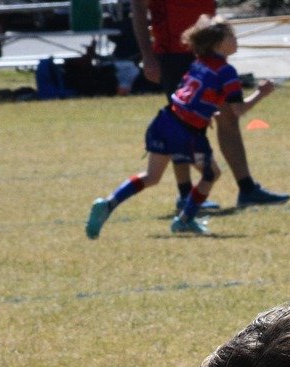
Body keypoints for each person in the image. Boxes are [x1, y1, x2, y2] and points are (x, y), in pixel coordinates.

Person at [128, 0, 290, 210]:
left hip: (209, 54)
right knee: (184, 124)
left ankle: (246, 187)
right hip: (174, 52)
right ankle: (186, 194)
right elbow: (138, 8)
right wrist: (147, 55)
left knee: (228, 115)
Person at [87, 16, 273, 239]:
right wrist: (262, 93)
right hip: (186, 131)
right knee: (211, 173)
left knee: (152, 176)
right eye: (231, 36)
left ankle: (108, 204)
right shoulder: (226, 71)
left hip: (166, 119)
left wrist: (207, 112)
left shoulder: (199, 62)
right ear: (218, 43)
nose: (236, 39)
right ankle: (185, 220)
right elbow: (237, 111)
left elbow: (193, 93)